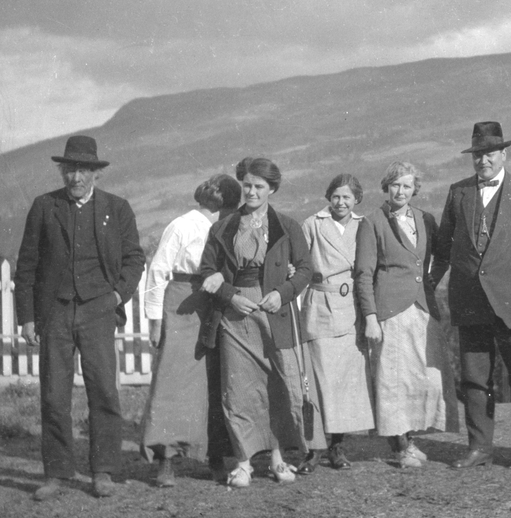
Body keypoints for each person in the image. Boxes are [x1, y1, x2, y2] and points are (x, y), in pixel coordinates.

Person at [15, 135, 146, 501]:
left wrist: (118, 295)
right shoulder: (44, 207)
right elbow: (26, 266)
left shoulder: (117, 209)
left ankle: (103, 472)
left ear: (96, 174)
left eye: (83, 170)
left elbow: (135, 259)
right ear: (62, 171)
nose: (75, 177)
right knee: (54, 395)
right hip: (54, 312)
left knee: (103, 390)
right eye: (69, 169)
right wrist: (27, 317)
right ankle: (56, 473)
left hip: (98, 310)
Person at [431, 121, 511, 470]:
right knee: (474, 378)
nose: (483, 160)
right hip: (470, 300)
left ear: (504, 154)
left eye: (489, 153)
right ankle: (480, 448)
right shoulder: (458, 193)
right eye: (477, 155)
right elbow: (443, 245)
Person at [198, 157, 322, 486]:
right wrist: (228, 294)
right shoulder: (222, 227)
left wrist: (283, 293)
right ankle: (243, 463)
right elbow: (207, 269)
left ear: (272, 189)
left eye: (259, 186)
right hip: (236, 317)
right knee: (237, 390)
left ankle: (278, 459)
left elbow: (305, 269)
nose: (251, 192)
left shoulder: (287, 226)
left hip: (274, 313)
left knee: (277, 388)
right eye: (247, 185)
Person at [138, 173, 242, 487]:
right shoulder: (182, 225)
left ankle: (214, 455)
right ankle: (166, 460)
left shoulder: (227, 227)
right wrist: (155, 321)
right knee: (172, 380)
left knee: (214, 380)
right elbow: (157, 270)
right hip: (182, 300)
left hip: (215, 301)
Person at [354, 161, 455, 467]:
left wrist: (429, 282)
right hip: (390, 310)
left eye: (407, 186)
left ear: (415, 190)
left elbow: (442, 256)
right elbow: (363, 273)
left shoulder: (425, 219)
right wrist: (370, 316)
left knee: (424, 377)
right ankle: (400, 446)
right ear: (386, 187)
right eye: (395, 185)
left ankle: (410, 437)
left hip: (422, 308)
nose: (401, 191)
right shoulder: (373, 222)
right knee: (393, 380)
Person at [297, 174, 376, 471]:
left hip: (351, 309)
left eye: (347, 197)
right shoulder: (312, 224)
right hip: (319, 305)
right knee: (318, 381)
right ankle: (313, 448)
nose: (341, 202)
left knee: (344, 382)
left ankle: (337, 447)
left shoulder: (363, 225)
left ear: (357, 200)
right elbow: (300, 265)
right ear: (328, 197)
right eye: (336, 196)